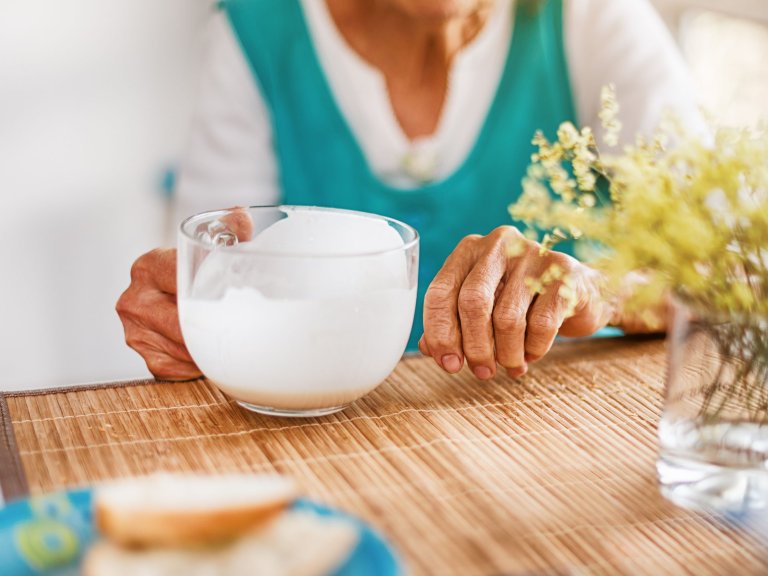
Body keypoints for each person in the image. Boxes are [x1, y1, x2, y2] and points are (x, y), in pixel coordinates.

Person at [117, 0, 700, 382]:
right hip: (323, 442)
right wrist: (186, 311)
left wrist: (601, 291)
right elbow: (213, 272)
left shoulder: (593, 19)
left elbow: (741, 274)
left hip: (556, 432)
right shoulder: (254, 36)